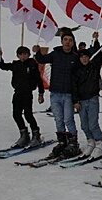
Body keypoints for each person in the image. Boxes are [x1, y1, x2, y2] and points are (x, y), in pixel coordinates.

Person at [33, 31, 81, 159]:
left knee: (68, 119)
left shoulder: (75, 57)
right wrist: (37, 51)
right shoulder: (55, 54)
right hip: (55, 93)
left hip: (68, 94)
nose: (67, 42)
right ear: (62, 41)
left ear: (73, 42)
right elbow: (41, 59)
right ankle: (62, 142)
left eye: (70, 40)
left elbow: (78, 77)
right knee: (58, 119)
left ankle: (73, 143)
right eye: (65, 39)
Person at [0, 46, 44, 148]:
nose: (23, 56)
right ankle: (24, 134)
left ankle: (36, 134)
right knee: (16, 114)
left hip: (27, 93)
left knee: (28, 114)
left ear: (29, 55)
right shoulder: (16, 64)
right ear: (17, 55)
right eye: (21, 54)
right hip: (17, 93)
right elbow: (3, 66)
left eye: (25, 54)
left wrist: (41, 93)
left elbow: (39, 79)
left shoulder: (32, 65)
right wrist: (0, 57)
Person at [72, 49, 102, 158]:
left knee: (93, 123)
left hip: (92, 99)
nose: (84, 59)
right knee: (84, 125)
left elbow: (98, 57)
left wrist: (97, 43)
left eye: (86, 57)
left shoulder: (94, 68)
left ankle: (99, 142)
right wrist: (75, 101)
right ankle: (91, 141)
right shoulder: (76, 70)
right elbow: (74, 86)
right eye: (82, 57)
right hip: (81, 100)